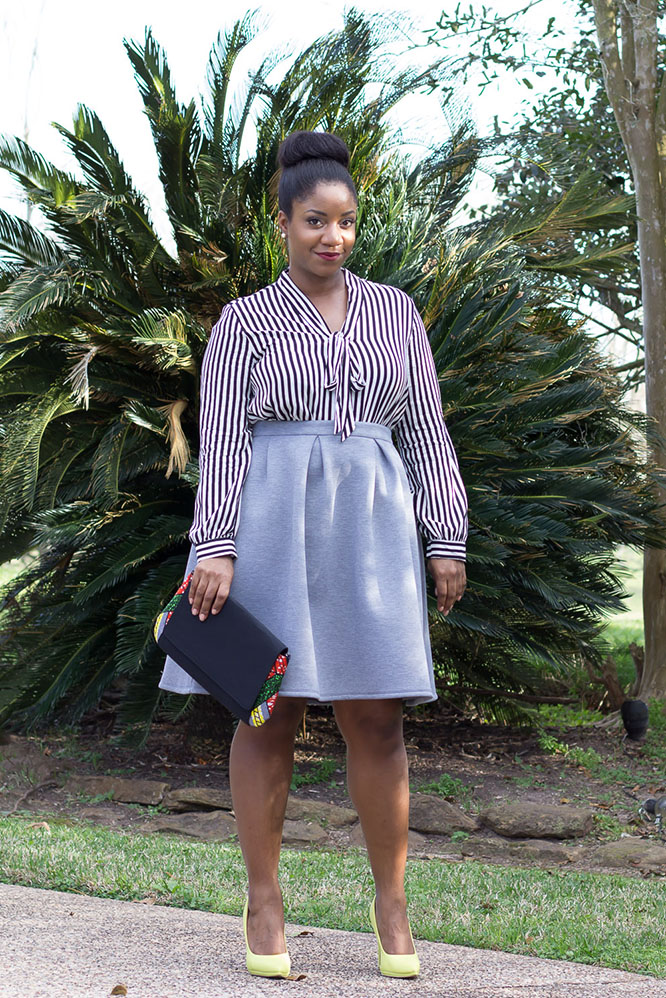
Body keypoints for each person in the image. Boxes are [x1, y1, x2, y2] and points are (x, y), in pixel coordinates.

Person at [158, 130, 468, 979]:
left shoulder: (395, 312)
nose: (331, 237)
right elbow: (221, 440)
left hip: (372, 522)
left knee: (377, 714)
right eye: (314, 222)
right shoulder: (246, 322)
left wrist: (446, 536)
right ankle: (264, 899)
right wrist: (214, 547)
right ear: (284, 222)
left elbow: (428, 433)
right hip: (270, 523)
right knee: (268, 709)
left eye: (345, 223)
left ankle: (393, 902)